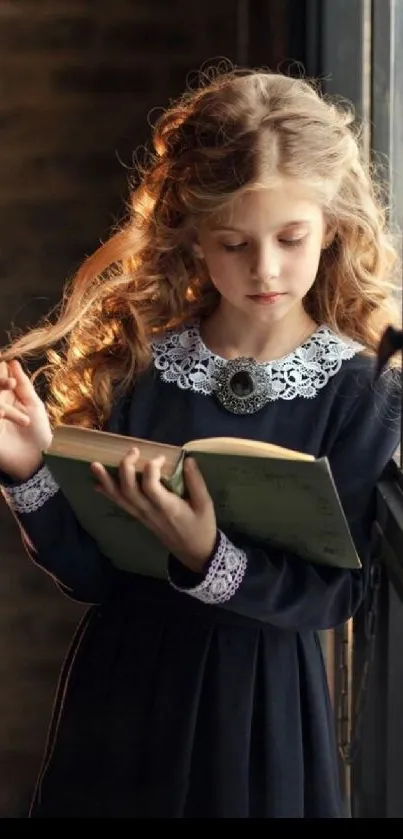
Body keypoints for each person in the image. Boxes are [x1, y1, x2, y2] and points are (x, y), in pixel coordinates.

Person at [0, 66, 401, 819]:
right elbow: (89, 574)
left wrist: (207, 554)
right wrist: (26, 465)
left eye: (291, 238)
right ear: (189, 232)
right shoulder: (140, 360)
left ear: (331, 226)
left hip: (258, 708)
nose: (266, 269)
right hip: (121, 692)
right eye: (233, 243)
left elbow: (334, 593)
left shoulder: (361, 390)